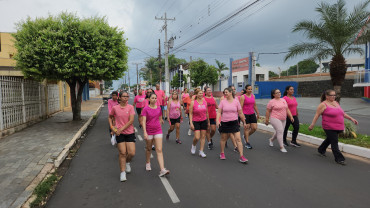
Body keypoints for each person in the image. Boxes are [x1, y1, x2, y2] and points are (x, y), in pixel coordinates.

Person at [309, 90, 358, 165]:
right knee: (334, 142)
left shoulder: (336, 102)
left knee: (329, 139)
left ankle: (321, 149)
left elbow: (342, 113)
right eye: (332, 95)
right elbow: (317, 115)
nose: (334, 97)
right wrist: (312, 125)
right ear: (327, 96)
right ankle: (339, 159)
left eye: (335, 95)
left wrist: (351, 118)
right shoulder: (323, 105)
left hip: (339, 126)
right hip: (329, 126)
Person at [108, 91, 136, 182]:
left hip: (129, 132)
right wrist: (112, 127)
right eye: (124, 96)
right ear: (119, 98)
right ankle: (122, 172)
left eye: (127, 96)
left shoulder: (130, 107)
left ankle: (128, 162)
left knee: (131, 153)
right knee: (122, 153)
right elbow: (110, 117)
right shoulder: (115, 108)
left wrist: (121, 128)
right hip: (119, 133)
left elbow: (131, 121)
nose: (126, 98)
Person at [141, 92, 170, 176]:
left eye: (155, 98)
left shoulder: (159, 108)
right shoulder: (146, 109)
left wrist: (160, 123)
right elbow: (143, 121)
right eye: (152, 98)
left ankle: (162, 169)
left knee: (159, 150)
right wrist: (145, 132)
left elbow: (160, 118)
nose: (154, 99)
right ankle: (148, 162)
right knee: (149, 148)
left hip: (157, 130)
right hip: (149, 131)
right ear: (149, 99)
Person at [217, 87, 248, 163]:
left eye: (226, 92)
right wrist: (218, 121)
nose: (225, 93)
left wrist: (244, 122)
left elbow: (240, 113)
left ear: (231, 92)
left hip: (234, 122)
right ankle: (222, 153)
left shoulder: (236, 102)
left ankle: (241, 156)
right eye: (224, 92)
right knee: (223, 138)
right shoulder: (223, 102)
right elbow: (219, 112)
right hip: (225, 122)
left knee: (238, 139)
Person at [265, 89, 294, 153]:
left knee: (279, 131)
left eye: (279, 92)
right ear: (273, 95)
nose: (279, 93)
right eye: (277, 93)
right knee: (280, 131)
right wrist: (267, 120)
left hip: (283, 119)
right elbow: (268, 111)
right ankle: (281, 147)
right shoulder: (271, 102)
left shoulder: (283, 100)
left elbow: (287, 109)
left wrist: (291, 116)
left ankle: (271, 140)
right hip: (275, 118)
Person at [189, 89, 210, 158]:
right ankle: (193, 145)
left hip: (204, 121)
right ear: (197, 94)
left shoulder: (205, 102)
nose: (201, 95)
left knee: (203, 137)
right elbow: (191, 113)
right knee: (197, 137)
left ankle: (201, 151)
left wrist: (208, 122)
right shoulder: (193, 102)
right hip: (196, 121)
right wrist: (191, 123)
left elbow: (206, 113)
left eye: (202, 93)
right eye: (199, 93)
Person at [240, 85, 260, 149]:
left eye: (251, 89)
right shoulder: (243, 97)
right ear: (246, 90)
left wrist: (257, 113)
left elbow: (255, 105)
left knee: (254, 128)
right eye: (249, 89)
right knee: (247, 128)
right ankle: (247, 142)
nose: (250, 90)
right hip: (245, 114)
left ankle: (245, 136)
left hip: (252, 114)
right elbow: (240, 107)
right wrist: (242, 116)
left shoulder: (253, 96)